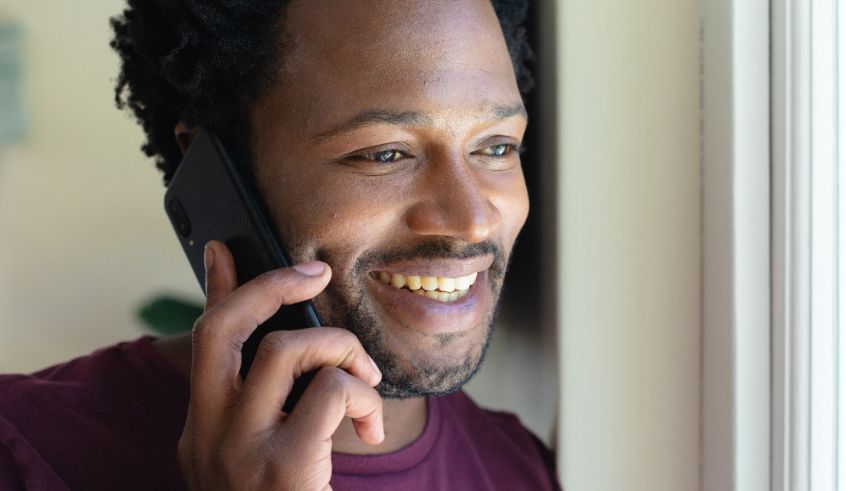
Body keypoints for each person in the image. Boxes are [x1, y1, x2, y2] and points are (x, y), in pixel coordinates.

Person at [0, 0, 559, 489]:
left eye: (496, 147)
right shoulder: (22, 447)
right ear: (219, 174)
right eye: (385, 153)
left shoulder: (522, 465)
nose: (470, 221)